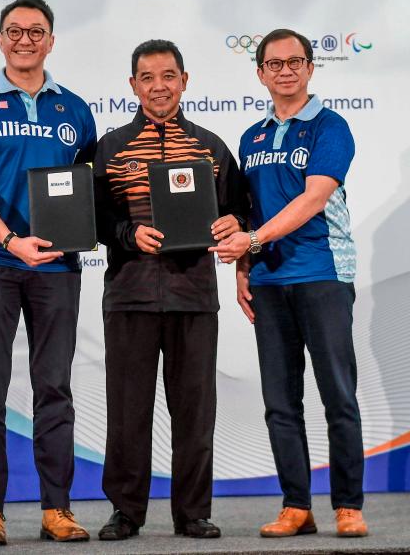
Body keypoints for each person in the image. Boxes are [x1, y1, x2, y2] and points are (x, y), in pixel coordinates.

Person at [0, 0, 97, 546]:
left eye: (36, 31)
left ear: (51, 40)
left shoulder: (76, 109)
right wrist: (11, 239)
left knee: (54, 389)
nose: (25, 39)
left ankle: (58, 509)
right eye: (14, 30)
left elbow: (85, 192)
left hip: (57, 266)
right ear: (1, 38)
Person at [210, 28, 369, 539]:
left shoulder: (330, 126)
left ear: (310, 68)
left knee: (338, 395)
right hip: (269, 280)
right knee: (280, 401)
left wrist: (251, 242)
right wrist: (242, 268)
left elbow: (312, 200)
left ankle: (348, 505)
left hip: (322, 273)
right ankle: (296, 506)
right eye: (274, 64)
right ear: (260, 73)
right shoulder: (251, 138)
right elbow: (247, 212)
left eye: (294, 62)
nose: (285, 70)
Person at [93, 39, 248, 541]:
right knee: (127, 408)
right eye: (147, 77)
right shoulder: (111, 147)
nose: (158, 86)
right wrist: (126, 234)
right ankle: (126, 510)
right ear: (133, 85)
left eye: (168, 76)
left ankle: (193, 512)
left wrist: (232, 223)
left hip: (194, 296)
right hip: (129, 295)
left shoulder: (211, 147)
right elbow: (95, 216)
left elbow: (241, 210)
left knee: (195, 410)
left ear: (184, 80)